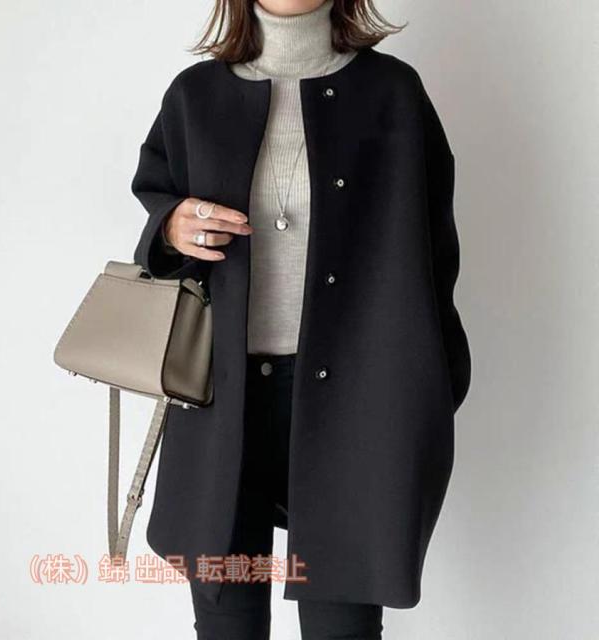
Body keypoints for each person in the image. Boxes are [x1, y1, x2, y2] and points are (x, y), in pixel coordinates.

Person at [130, 0, 471, 638]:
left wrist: (429, 394)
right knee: (226, 624)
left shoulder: (393, 95)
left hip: (357, 411)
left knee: (343, 626)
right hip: (222, 406)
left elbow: (435, 262)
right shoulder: (194, 97)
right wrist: (171, 227)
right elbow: (158, 217)